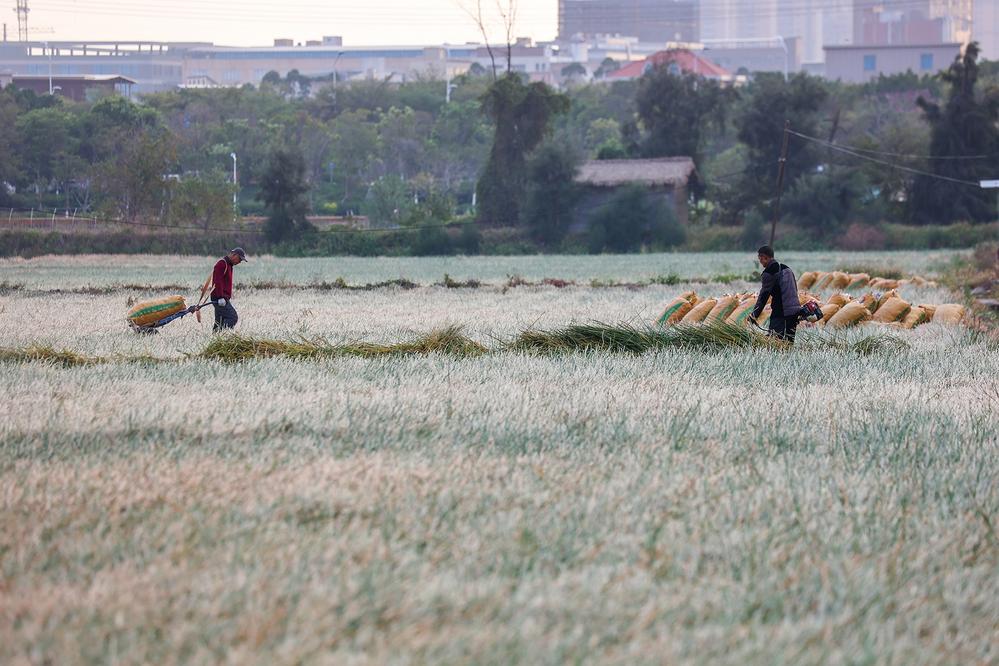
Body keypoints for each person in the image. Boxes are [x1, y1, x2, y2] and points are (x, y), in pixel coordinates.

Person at [748, 245, 801, 342]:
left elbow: (763, 296)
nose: (760, 262)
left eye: (760, 259)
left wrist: (754, 314)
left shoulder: (769, 272)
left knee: (775, 341)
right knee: (789, 343)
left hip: (780, 311)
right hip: (795, 311)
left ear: (765, 257)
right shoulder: (787, 268)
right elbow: (795, 289)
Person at [199, 247, 247, 332]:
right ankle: (222, 336)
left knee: (219, 322)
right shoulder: (222, 264)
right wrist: (220, 297)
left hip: (222, 298)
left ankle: (216, 337)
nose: (239, 262)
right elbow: (217, 281)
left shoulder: (229, 265)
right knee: (232, 317)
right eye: (239, 259)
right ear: (234, 254)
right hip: (219, 298)